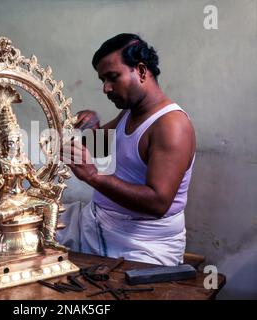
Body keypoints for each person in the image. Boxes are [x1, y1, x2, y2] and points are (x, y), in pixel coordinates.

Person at [57, 33, 196, 266]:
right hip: (97, 221)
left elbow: (158, 203)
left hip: (143, 244)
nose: (106, 88)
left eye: (112, 77)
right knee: (27, 231)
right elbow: (100, 147)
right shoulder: (130, 112)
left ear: (141, 71)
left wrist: (94, 176)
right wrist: (92, 125)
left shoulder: (171, 126)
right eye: (102, 80)